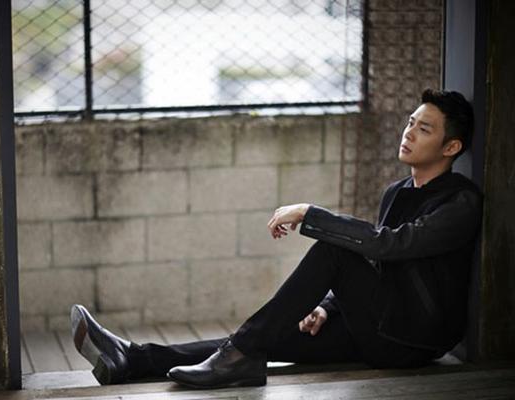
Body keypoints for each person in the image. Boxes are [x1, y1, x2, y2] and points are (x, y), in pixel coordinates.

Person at [70, 88, 483, 389]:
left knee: (332, 252)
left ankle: (233, 358)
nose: (409, 133)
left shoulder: (460, 202)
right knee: (257, 340)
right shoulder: (397, 191)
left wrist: (308, 213)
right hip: (375, 326)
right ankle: (132, 359)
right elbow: (379, 265)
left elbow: (389, 244)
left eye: (423, 129)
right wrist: (326, 307)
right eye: (410, 122)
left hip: (410, 341)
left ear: (451, 146)